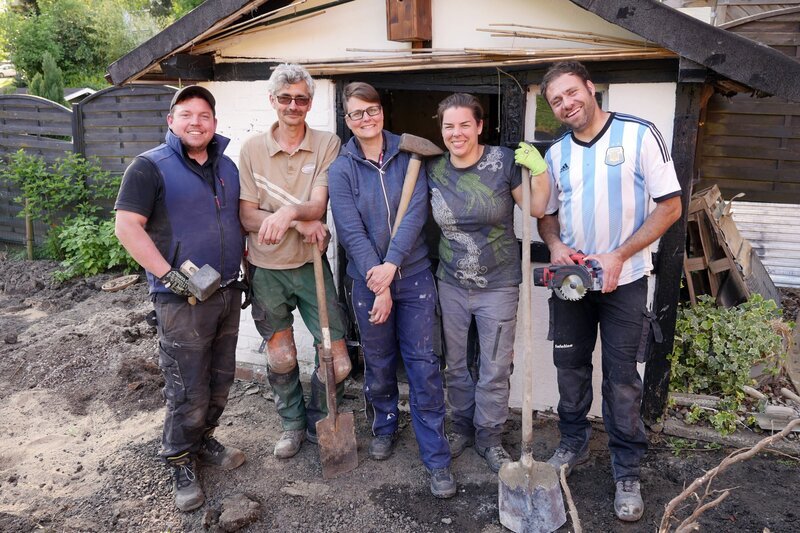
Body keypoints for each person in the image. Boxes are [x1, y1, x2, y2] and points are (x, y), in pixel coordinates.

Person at [538, 60, 682, 522]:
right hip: (573, 281)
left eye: (570, 92)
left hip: (627, 279)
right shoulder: (556, 153)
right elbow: (547, 214)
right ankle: (573, 442)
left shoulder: (639, 135)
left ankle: (627, 469)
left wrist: (619, 254)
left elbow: (671, 207)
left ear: (589, 87)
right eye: (556, 101)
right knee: (569, 367)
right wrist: (555, 245)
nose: (566, 104)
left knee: (621, 378)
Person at [114, 85, 246, 512]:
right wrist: (169, 276)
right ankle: (178, 460)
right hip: (181, 301)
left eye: (204, 115)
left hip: (226, 291)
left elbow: (235, 222)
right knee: (187, 386)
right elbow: (127, 227)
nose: (196, 122)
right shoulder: (149, 167)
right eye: (186, 114)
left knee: (220, 379)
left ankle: (202, 440)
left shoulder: (227, 167)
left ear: (214, 123)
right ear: (171, 121)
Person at [328, 82, 456, 498]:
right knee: (379, 360)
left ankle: (436, 456)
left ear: (382, 112)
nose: (366, 118)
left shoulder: (408, 155)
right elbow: (350, 230)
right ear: (347, 120)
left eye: (372, 110)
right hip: (368, 282)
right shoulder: (342, 168)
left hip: (414, 276)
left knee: (423, 364)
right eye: (357, 113)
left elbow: (415, 215)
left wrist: (392, 267)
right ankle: (384, 426)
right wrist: (378, 280)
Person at [426, 93, 550, 473]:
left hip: (498, 285)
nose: (457, 133)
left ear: (479, 126)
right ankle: (462, 427)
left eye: (465, 124)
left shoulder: (503, 162)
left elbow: (536, 207)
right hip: (450, 282)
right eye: (449, 126)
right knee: (456, 364)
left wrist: (540, 171)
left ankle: (490, 437)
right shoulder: (433, 169)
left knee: (494, 368)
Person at [238, 63, 351, 459]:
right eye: (285, 98)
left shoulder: (326, 144)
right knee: (282, 356)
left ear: (310, 103)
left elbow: (318, 205)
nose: (292, 105)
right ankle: (292, 425)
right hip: (266, 269)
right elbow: (246, 216)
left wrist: (287, 214)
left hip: (310, 265)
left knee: (338, 361)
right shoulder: (252, 149)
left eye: (300, 99)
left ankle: (322, 420)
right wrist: (299, 223)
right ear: (272, 100)